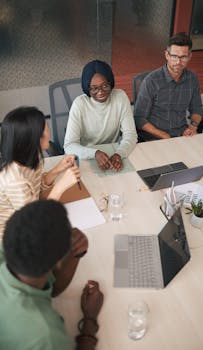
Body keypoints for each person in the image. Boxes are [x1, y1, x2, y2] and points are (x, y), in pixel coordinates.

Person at [0, 199, 103, 350]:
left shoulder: (8, 250)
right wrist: (89, 322)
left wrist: (75, 254)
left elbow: (53, 290)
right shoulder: (46, 335)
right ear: (60, 261)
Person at [0, 106, 80, 239]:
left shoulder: (33, 154)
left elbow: (34, 189)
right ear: (35, 138)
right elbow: (34, 221)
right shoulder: (15, 181)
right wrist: (60, 186)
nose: (49, 132)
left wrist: (56, 170)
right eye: (46, 128)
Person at [64, 59, 137, 172]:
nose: (100, 92)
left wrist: (119, 154)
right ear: (87, 88)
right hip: (85, 158)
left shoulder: (120, 97)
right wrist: (95, 153)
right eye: (94, 88)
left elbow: (130, 135)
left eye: (105, 86)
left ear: (110, 83)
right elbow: (69, 146)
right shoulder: (79, 104)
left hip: (112, 154)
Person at [134, 32, 203, 141]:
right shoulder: (151, 81)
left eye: (183, 57)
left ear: (190, 56)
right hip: (154, 136)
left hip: (182, 133)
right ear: (167, 55)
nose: (178, 62)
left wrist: (193, 127)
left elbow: (197, 108)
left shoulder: (192, 78)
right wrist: (165, 136)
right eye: (174, 56)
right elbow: (139, 119)